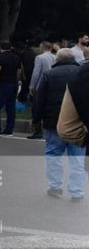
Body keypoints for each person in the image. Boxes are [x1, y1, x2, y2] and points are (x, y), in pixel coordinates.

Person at [35, 49, 84, 202]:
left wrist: (36, 119)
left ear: (57, 59)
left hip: (53, 123)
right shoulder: (83, 74)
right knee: (77, 158)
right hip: (78, 125)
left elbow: (39, 99)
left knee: (53, 154)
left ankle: (55, 186)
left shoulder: (49, 75)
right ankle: (76, 192)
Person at [0, 41, 22, 135]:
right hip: (13, 83)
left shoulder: (0, 57)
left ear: (0, 47)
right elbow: (19, 71)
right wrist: (15, 79)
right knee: (11, 107)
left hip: (2, 84)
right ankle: (9, 129)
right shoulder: (16, 57)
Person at [27, 41, 56, 139]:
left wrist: (32, 86)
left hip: (41, 85)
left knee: (36, 108)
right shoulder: (55, 57)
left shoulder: (40, 58)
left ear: (42, 47)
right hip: (52, 86)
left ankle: (37, 130)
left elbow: (36, 73)